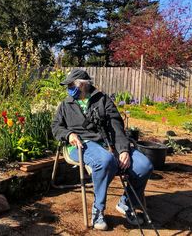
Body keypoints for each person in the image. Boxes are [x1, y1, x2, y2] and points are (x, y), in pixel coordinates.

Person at [51, 69, 153, 231]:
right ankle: (98, 209)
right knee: (105, 161)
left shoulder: (103, 100)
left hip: (108, 143)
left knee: (143, 166)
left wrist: (124, 149)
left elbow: (117, 127)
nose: (68, 88)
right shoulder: (66, 104)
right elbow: (56, 127)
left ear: (83, 85)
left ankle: (127, 203)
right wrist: (69, 134)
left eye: (71, 85)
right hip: (80, 144)